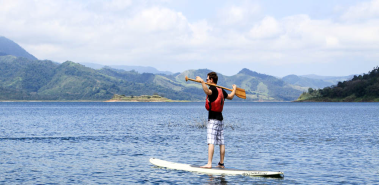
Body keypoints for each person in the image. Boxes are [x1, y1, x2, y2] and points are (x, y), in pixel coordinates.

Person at [196, 72, 237, 168]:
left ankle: (209, 164)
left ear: (211, 80)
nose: (206, 81)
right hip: (220, 120)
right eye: (205, 80)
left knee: (211, 142)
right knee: (221, 142)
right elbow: (230, 96)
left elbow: (207, 92)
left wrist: (202, 82)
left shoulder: (212, 89)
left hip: (213, 120)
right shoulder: (221, 90)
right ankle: (221, 163)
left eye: (207, 79)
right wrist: (234, 89)